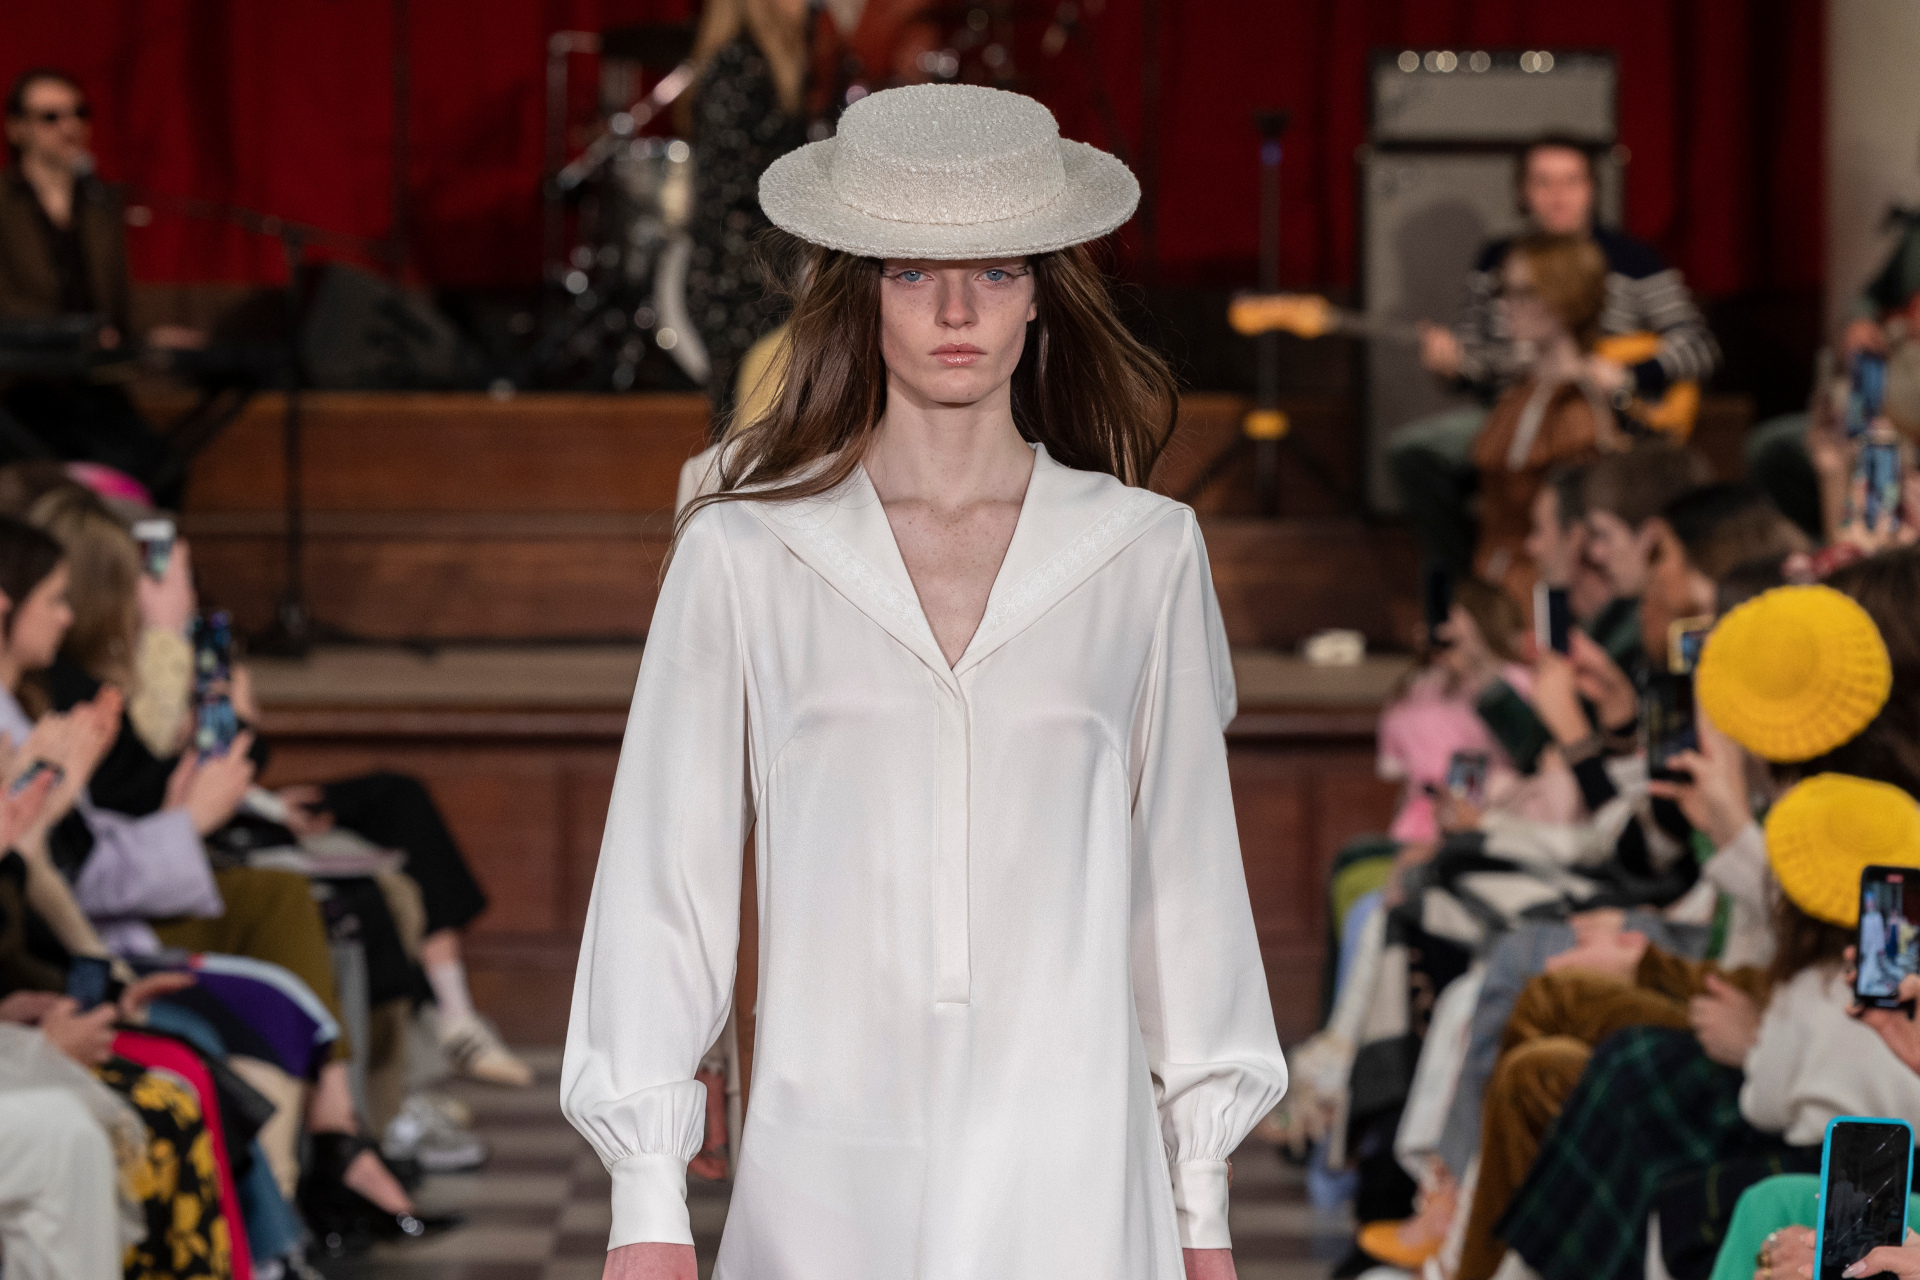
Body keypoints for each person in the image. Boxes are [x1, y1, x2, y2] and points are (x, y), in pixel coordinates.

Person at [564, 84, 1287, 1280]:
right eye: (912, 272)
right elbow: (665, 873)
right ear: (860, 290)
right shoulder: (749, 551)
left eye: (996, 272)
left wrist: (1199, 1197)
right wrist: (646, 1189)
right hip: (825, 1160)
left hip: (1076, 1166)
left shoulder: (1140, 552)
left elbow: (1187, 884)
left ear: (1044, 292)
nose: (957, 308)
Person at [1390, 135, 1719, 578]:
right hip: (1516, 404)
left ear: (1592, 188)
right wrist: (1452, 365)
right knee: (1422, 453)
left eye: (1571, 181)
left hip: (1606, 410)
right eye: (1543, 182)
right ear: (1524, 193)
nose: (1557, 195)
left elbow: (1699, 345)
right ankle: (1469, 583)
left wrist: (1626, 374)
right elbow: (1478, 354)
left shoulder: (1635, 261)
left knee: (1574, 459)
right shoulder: (1501, 259)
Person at [0, 70, 197, 502]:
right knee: (73, 484)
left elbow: (118, 296)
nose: (69, 127)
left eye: (79, 114)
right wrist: (72, 331)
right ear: (17, 130)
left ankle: (152, 570)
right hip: (24, 384)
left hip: (93, 380)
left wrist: (147, 336)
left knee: (163, 471)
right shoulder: (5, 204)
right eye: (50, 117)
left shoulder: (99, 203)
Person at [684, 0, 813, 433]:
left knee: (756, 423)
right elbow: (736, 190)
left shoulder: (767, 64)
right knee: (743, 429)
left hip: (753, 269)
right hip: (737, 277)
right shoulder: (741, 65)